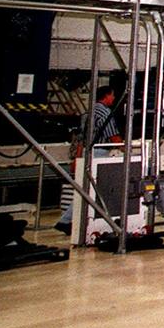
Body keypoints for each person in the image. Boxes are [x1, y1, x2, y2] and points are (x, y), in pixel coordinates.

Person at [54, 85, 123, 235]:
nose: (114, 98)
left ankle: (69, 220)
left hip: (86, 152)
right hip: (99, 153)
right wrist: (126, 149)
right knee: (94, 189)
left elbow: (81, 138)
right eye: (112, 95)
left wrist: (78, 158)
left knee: (86, 188)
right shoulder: (105, 112)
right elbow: (112, 135)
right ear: (106, 96)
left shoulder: (88, 112)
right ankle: (67, 220)